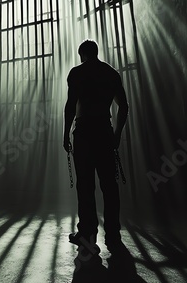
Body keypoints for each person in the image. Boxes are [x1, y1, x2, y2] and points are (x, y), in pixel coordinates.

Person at [63, 40, 129, 250]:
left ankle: (88, 234)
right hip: (104, 130)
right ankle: (113, 233)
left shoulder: (77, 73)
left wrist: (65, 134)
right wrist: (117, 134)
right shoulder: (111, 74)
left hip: (83, 133)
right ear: (97, 52)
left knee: (85, 185)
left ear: (82, 54)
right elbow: (124, 106)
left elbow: (71, 106)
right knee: (109, 184)